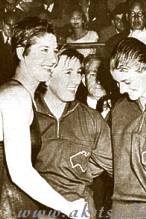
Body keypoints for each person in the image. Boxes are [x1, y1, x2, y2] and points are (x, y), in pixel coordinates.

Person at [0, 17, 88, 219]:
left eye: (55, 50)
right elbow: (20, 172)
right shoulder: (15, 96)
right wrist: (69, 208)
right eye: (44, 50)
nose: (53, 59)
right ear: (22, 52)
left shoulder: (22, 94)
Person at [35, 49, 113, 219]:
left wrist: (80, 169)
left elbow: (116, 165)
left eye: (78, 72)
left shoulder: (90, 118)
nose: (76, 80)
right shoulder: (26, 113)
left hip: (80, 209)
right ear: (47, 77)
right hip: (34, 209)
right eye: (68, 72)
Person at [109, 37, 146, 219]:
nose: (122, 90)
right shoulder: (120, 109)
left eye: (127, 81)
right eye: (117, 83)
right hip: (121, 211)